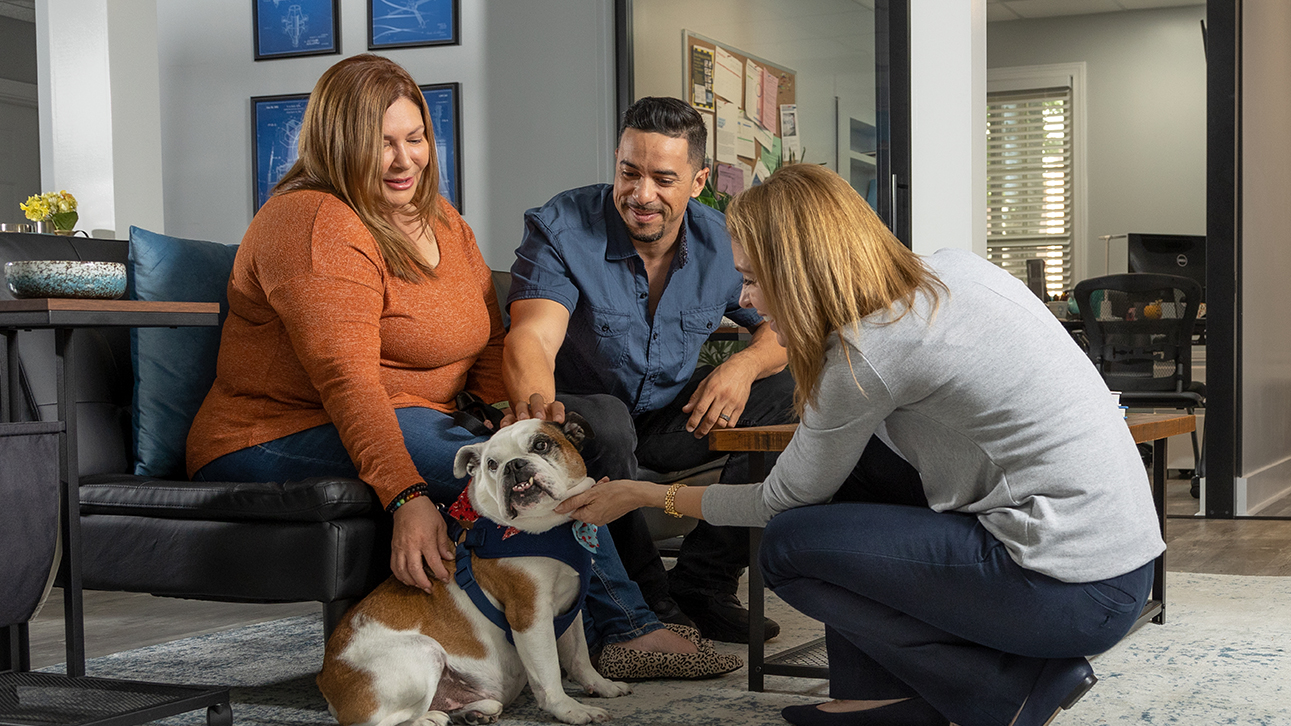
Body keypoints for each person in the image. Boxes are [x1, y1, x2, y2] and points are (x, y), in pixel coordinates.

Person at [184, 54, 737, 681]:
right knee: (489, 473)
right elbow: (349, 381)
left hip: (421, 417)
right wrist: (406, 496)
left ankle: (545, 634)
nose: (404, 160)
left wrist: (509, 417)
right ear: (337, 144)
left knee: (534, 456)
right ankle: (628, 630)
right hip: (278, 430)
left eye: (414, 138)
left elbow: (486, 345)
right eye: (380, 144)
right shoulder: (312, 220)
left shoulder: (442, 220)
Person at [555, 163, 1166, 726]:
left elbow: (776, 503)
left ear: (798, 272)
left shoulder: (866, 351)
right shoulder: (950, 270)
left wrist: (644, 494)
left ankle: (1000, 689)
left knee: (791, 545)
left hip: (1069, 590)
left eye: (750, 280)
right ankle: (874, 697)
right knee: (855, 473)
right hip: (1121, 561)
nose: (745, 300)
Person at [503, 96, 797, 644]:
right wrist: (537, 419)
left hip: (669, 421)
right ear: (615, 160)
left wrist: (746, 366)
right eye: (628, 173)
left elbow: (783, 320)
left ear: (698, 180)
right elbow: (533, 337)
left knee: (790, 388)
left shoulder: (721, 240)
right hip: (581, 417)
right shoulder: (562, 226)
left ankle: (703, 584)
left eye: (663, 178)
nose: (642, 195)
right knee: (610, 419)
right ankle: (646, 601)